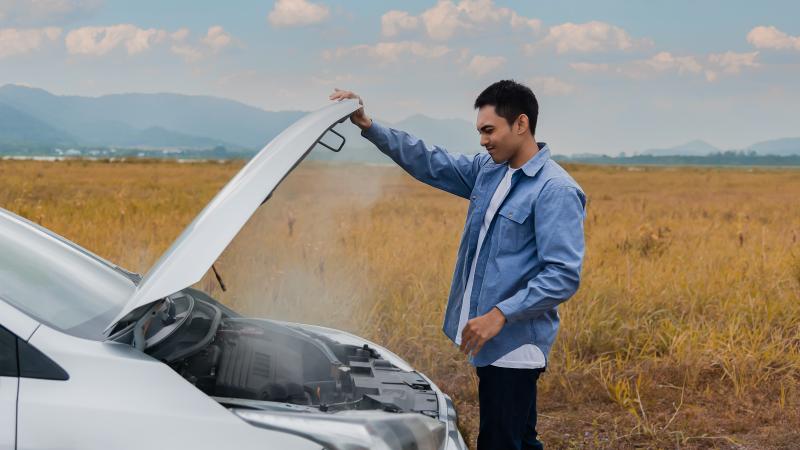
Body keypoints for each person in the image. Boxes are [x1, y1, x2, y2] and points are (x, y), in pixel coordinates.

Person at [330, 80, 586, 450]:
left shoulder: (555, 190)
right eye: (480, 131)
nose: (483, 140)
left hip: (514, 345)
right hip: (491, 340)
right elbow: (430, 160)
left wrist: (499, 314)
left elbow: (562, 275)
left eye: (489, 130)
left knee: (500, 441)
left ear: (521, 124)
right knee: (520, 439)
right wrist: (369, 126)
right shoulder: (490, 170)